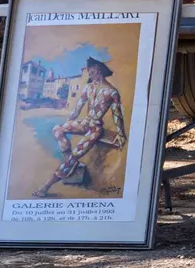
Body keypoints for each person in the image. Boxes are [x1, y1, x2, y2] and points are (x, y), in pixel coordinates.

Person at [35, 57, 127, 197]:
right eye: (88, 71)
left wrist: (121, 134)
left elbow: (117, 115)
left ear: (100, 71)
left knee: (73, 157)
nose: (89, 74)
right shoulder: (88, 87)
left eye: (92, 71)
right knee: (57, 129)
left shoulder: (111, 92)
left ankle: (46, 186)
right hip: (84, 123)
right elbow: (78, 107)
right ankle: (69, 162)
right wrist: (69, 122)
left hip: (95, 129)